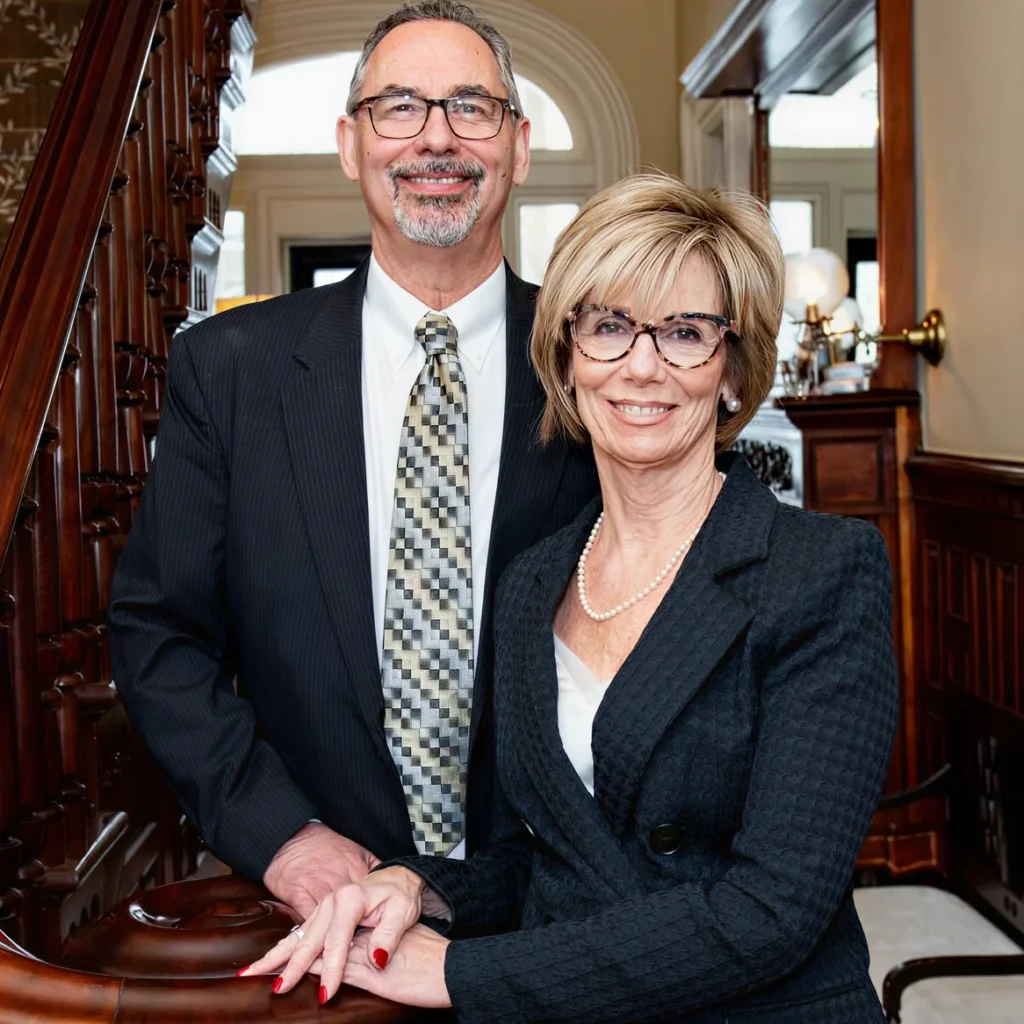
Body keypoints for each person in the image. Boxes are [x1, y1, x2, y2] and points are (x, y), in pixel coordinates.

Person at [244, 173, 899, 1022]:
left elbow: (771, 912)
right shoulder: (533, 583)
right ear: (567, 358)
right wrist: (417, 887)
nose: (641, 365)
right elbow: (544, 861)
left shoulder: (823, 571)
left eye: (686, 333)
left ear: (734, 371)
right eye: (610, 326)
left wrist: (461, 975)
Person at [106, 0, 597, 920]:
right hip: (320, 904)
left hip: (555, 900)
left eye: (472, 107)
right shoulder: (230, 370)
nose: (436, 138)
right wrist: (282, 834)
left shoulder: (600, 362)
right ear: (350, 143)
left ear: (518, 145)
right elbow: (160, 632)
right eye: (398, 107)